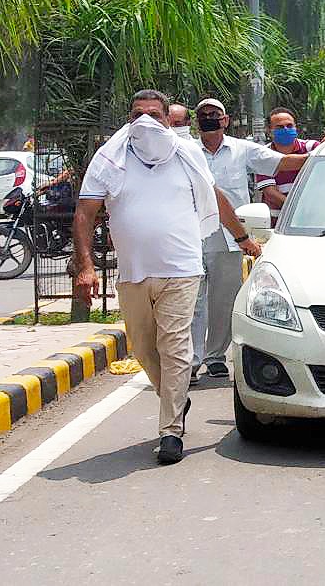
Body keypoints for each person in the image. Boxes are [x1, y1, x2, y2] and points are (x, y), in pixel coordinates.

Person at [73, 90, 259, 465]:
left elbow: (215, 197)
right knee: (143, 348)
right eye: (137, 113)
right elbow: (85, 211)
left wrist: (241, 238)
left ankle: (170, 431)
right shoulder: (111, 157)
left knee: (174, 349)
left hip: (181, 269)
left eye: (153, 114)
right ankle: (175, 397)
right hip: (133, 272)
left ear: (168, 120)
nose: (145, 121)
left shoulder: (186, 154)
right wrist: (87, 265)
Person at [187, 98, 307, 384]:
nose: (209, 119)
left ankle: (215, 356)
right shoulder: (187, 150)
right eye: (203, 115)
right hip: (190, 234)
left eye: (214, 115)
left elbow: (281, 162)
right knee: (193, 301)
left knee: (223, 299)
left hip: (231, 236)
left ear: (225, 120)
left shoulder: (241, 149)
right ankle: (190, 360)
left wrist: (323, 153)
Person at [255, 107, 321, 224]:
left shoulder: (312, 147)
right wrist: (298, 211)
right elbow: (271, 193)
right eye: (280, 127)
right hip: (278, 223)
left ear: (296, 128)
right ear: (269, 130)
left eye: (289, 126)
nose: (285, 129)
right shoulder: (263, 155)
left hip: (316, 219)